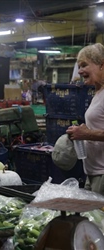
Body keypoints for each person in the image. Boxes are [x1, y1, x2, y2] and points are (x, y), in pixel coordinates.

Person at [66, 43, 104, 196]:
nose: (80, 71)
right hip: (93, 172)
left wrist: (87, 134)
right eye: (78, 66)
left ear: (101, 65)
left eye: (84, 65)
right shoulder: (98, 92)